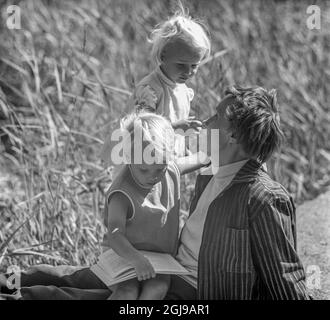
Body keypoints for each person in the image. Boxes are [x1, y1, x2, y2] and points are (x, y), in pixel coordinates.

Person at [0, 111, 208, 300]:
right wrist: (136, 259)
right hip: (125, 256)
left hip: (160, 260)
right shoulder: (122, 192)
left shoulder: (169, 168)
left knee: (157, 289)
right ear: (128, 158)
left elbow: (201, 159)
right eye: (144, 169)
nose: (152, 176)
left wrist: (217, 149)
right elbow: (115, 234)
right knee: (127, 291)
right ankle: (12, 282)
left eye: (159, 168)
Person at [165, 85, 311, 300]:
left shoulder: (263, 197)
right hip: (170, 276)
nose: (206, 122)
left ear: (232, 135)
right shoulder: (209, 177)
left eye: (216, 116)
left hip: (198, 291)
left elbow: (284, 275)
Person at [101, 7, 211, 171]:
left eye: (194, 65)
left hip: (162, 163)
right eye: (181, 65)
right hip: (140, 168)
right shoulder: (150, 90)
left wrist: (182, 149)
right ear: (164, 55)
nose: (188, 72)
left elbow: (175, 129)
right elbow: (139, 129)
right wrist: (174, 128)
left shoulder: (181, 89)